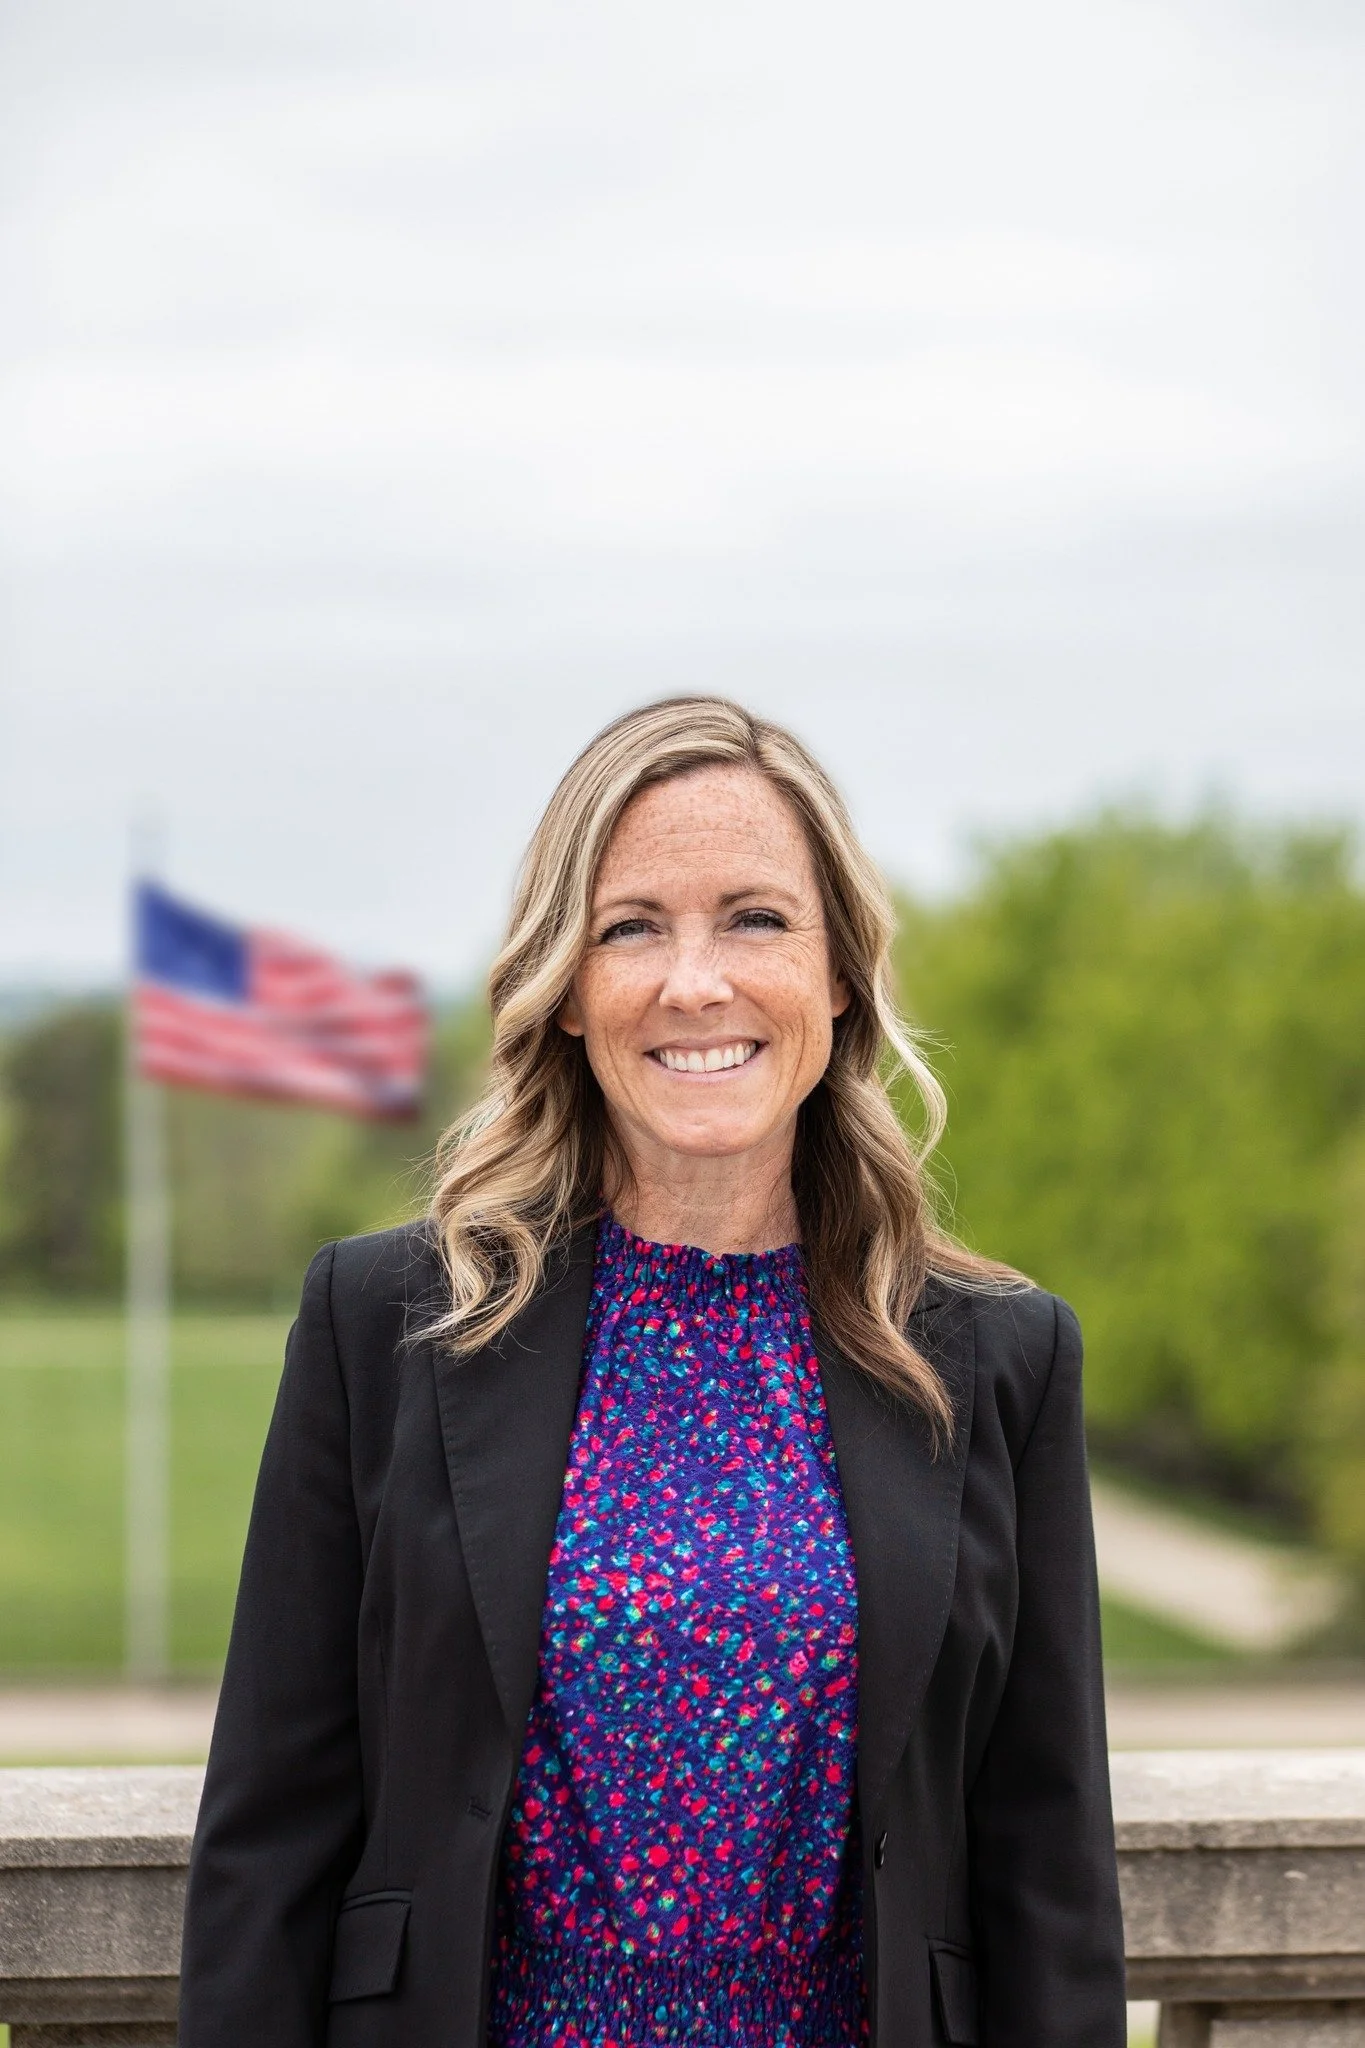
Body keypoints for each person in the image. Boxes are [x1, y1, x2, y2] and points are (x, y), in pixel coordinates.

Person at [180, 697, 1126, 2048]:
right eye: (633, 926)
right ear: (566, 988)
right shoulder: (384, 1324)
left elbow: (1049, 1873)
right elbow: (270, 1840)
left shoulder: (994, 1353)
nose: (698, 983)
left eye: (755, 918)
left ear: (841, 973)